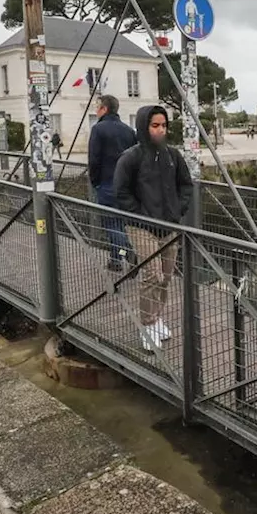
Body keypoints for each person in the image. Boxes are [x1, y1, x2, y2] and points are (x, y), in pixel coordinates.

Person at [113, 104, 193, 351]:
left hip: (168, 225)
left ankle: (157, 318)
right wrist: (140, 215)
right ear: (144, 127)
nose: (160, 130)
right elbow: (121, 192)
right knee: (151, 274)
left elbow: (186, 185)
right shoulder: (131, 157)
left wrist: (177, 211)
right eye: (155, 125)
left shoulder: (173, 156)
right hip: (141, 226)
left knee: (166, 277)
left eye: (164, 125)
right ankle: (147, 326)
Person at [87, 95, 137, 271]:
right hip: (127, 186)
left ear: (104, 109)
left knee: (111, 224)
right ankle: (116, 260)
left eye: (97, 107)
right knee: (121, 223)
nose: (96, 110)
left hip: (107, 184)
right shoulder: (129, 131)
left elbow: (94, 159)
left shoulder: (98, 129)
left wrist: (95, 182)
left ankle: (128, 252)